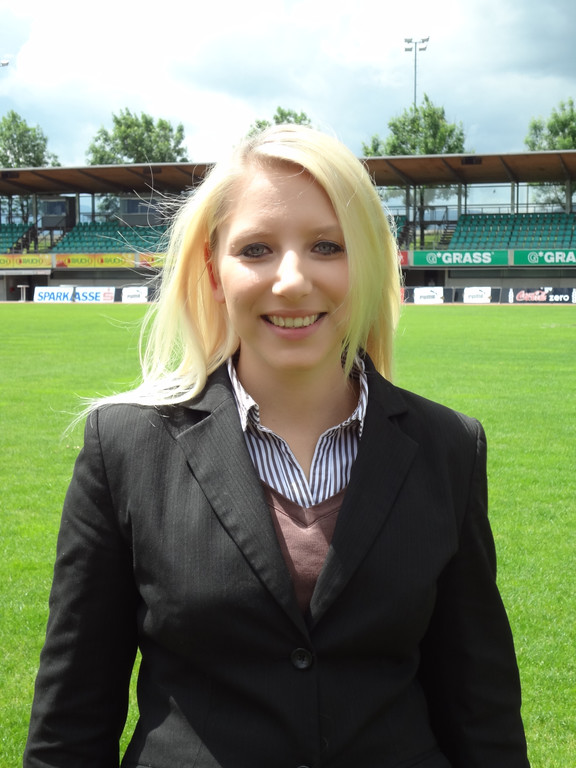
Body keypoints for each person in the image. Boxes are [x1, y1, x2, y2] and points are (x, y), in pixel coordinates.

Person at [24, 124, 530, 768]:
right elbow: (71, 721)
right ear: (214, 270)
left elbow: (481, 708)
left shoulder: (448, 446)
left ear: (370, 262)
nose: (292, 281)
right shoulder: (124, 446)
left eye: (327, 246)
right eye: (257, 249)